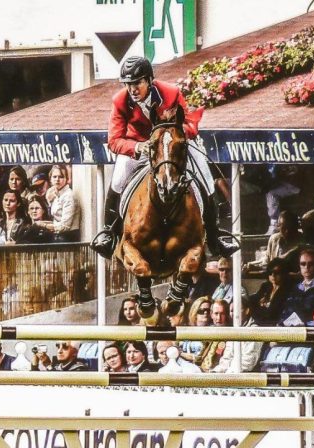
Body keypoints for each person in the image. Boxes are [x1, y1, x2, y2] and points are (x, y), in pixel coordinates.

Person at [91, 56, 238, 260]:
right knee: (117, 179)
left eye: (137, 83)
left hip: (172, 145)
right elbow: (114, 140)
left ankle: (215, 235)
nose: (132, 89)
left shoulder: (171, 93)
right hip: (140, 146)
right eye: (128, 84)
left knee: (204, 170)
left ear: (149, 80)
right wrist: (137, 146)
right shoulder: (120, 101)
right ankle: (109, 233)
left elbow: (189, 124)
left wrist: (173, 135)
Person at [279, 249, 314, 326]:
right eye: (303, 264)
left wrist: (307, 324)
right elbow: (287, 310)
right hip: (291, 329)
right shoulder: (296, 287)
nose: (306, 267)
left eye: (311, 264)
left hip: (312, 330)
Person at [249, 258, 292, 326]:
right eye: (270, 272)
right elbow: (252, 303)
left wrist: (261, 307)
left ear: (283, 273)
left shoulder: (288, 290)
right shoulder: (265, 286)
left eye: (277, 272)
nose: (273, 275)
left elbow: (274, 313)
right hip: (259, 322)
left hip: (275, 325)